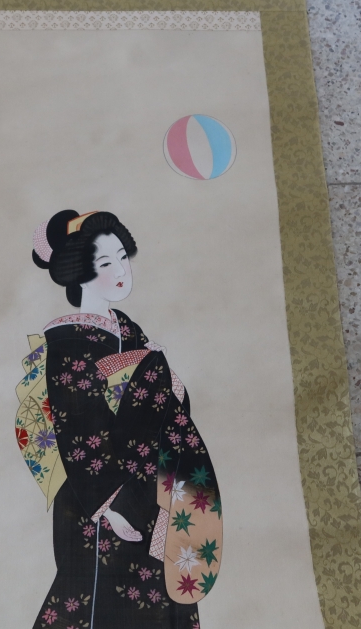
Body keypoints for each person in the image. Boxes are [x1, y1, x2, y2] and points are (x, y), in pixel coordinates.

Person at [20, 210, 222, 629]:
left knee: (157, 592)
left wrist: (160, 376)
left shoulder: (129, 332)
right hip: (99, 492)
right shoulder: (69, 340)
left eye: (122, 257)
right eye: (105, 262)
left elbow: (166, 403)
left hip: (149, 485)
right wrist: (111, 504)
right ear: (79, 274)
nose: (120, 270)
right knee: (99, 595)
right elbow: (78, 425)